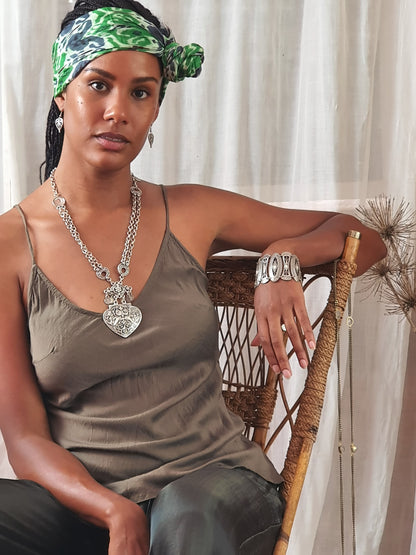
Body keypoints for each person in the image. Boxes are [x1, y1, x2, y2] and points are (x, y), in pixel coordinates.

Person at [0, 1, 386, 554]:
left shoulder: (191, 211)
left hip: (214, 486)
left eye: (141, 92)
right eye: (98, 85)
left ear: (157, 107)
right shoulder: (9, 246)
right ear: (62, 92)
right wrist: (115, 511)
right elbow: (25, 439)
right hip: (90, 504)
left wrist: (282, 258)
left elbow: (362, 237)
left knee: (186, 517)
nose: (118, 111)